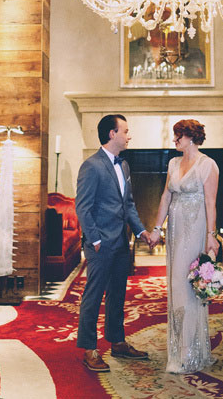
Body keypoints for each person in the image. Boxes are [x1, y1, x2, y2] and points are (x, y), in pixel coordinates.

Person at [75, 114, 151, 373]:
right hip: (100, 244)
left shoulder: (124, 166)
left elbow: (127, 204)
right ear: (112, 134)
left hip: (121, 242)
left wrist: (140, 232)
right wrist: (94, 239)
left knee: (118, 294)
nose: (129, 136)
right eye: (126, 131)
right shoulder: (91, 166)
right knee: (93, 297)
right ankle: (89, 350)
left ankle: (117, 342)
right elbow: (82, 208)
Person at [149, 119, 220, 374]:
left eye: (177, 136)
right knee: (175, 285)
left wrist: (211, 236)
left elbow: (211, 203)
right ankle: (179, 349)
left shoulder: (208, 165)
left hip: (196, 228)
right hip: (176, 231)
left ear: (190, 137)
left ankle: (188, 353)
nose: (174, 140)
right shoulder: (173, 163)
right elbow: (166, 196)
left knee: (187, 287)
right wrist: (157, 228)